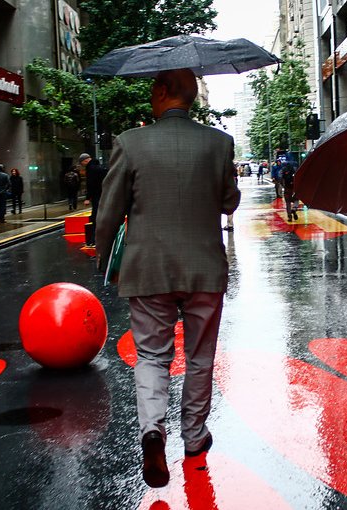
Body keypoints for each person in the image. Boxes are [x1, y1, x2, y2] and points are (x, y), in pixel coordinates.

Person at [95, 68, 240, 488]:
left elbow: (109, 212)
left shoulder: (130, 143)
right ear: (191, 97)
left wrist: (107, 258)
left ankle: (152, 431)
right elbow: (229, 202)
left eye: (151, 91)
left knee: (153, 356)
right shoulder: (219, 143)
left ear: (161, 92)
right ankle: (194, 437)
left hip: (148, 269)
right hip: (204, 270)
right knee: (199, 357)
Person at [80, 153, 106, 246]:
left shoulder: (91, 169)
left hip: (96, 196)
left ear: (85, 160)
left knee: (95, 217)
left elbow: (90, 184)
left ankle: (94, 240)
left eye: (82, 162)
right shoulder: (100, 167)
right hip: (104, 195)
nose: (82, 165)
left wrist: (87, 198)